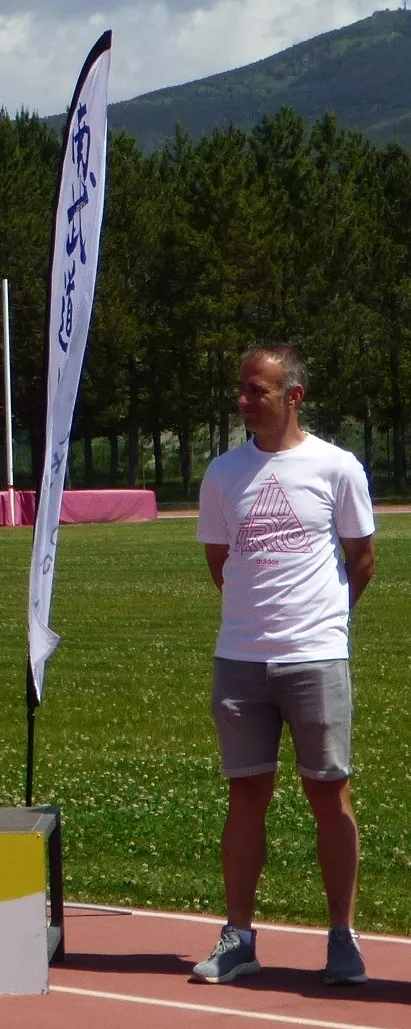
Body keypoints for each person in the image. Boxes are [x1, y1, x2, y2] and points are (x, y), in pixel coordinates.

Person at [192, 344, 376, 985]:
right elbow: (221, 563)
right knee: (246, 794)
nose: (244, 400)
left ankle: (343, 939)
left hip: (316, 657)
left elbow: (362, 559)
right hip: (240, 658)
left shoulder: (337, 467)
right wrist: (257, 620)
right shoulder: (222, 474)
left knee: (330, 793)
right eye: (241, 389)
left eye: (257, 391)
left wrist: (321, 623)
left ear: (292, 395)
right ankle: (238, 935)